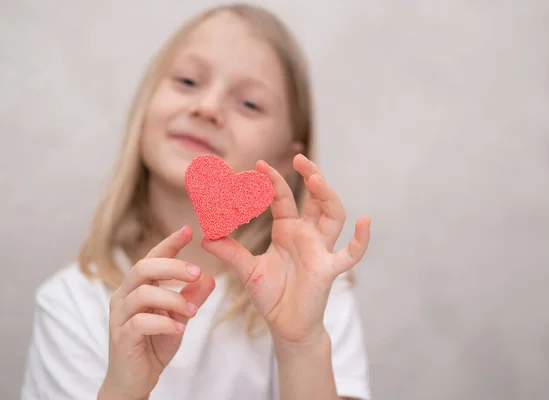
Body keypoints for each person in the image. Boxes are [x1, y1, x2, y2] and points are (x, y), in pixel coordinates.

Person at [21, 3, 372, 400]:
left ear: (285, 159)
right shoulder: (71, 302)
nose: (207, 108)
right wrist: (124, 386)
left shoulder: (314, 293)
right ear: (145, 105)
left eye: (250, 104)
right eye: (188, 81)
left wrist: (301, 346)